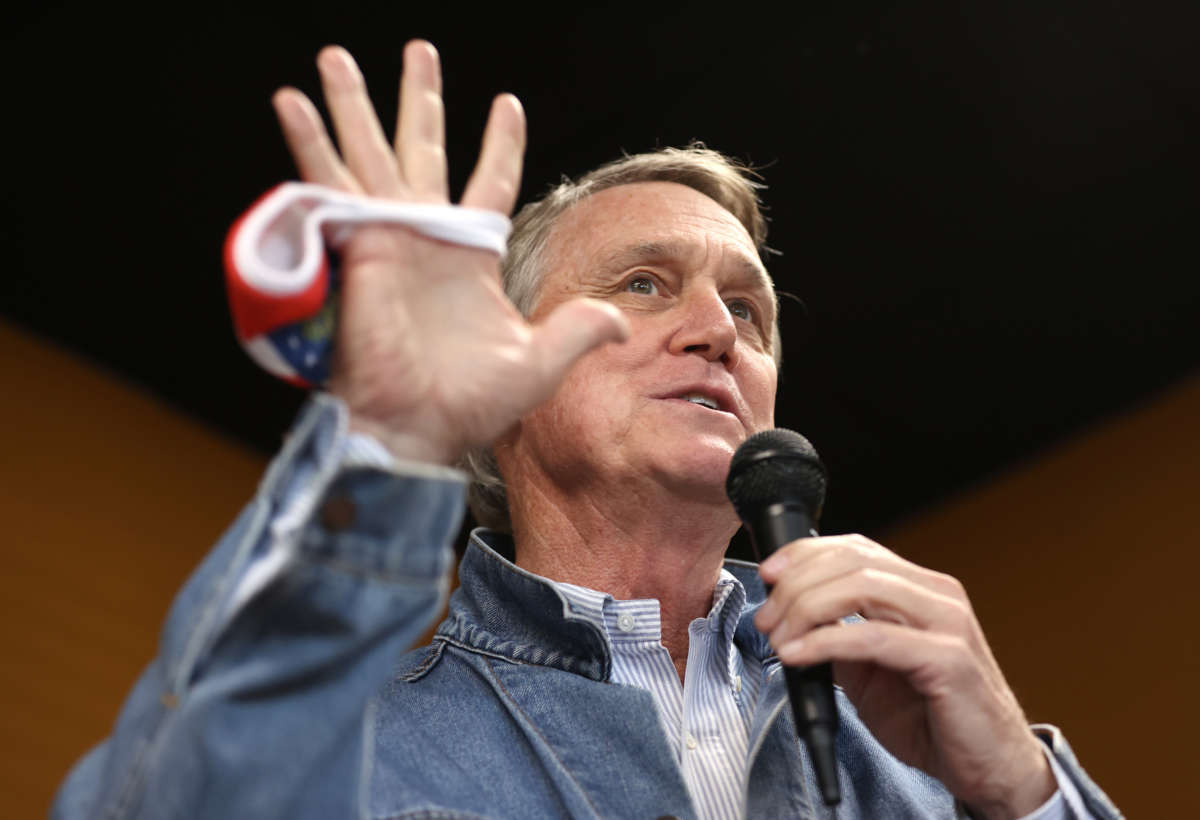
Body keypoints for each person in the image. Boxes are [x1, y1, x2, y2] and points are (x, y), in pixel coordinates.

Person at [54, 41, 1121, 819]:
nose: (716, 330)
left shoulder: (919, 735)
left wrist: (1026, 797)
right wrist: (389, 439)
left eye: (749, 311)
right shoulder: (355, 743)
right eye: (646, 284)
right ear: (508, 374)